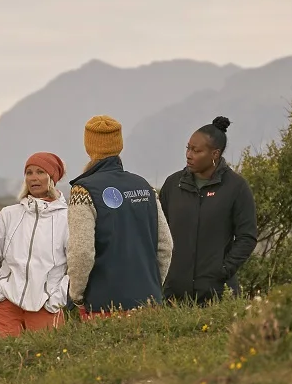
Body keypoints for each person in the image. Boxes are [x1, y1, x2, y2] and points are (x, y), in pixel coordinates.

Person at [67, 114, 173, 314]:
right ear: (119, 145)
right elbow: (165, 246)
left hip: (104, 305)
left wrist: (77, 295)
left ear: (88, 147)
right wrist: (152, 286)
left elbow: (82, 251)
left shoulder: (83, 191)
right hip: (149, 303)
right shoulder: (145, 187)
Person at [160, 115, 259, 303]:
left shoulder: (236, 187)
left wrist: (223, 270)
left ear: (215, 154)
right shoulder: (173, 185)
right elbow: (158, 231)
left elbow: (247, 237)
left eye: (196, 150)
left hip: (217, 296)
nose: (189, 155)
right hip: (172, 297)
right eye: (188, 148)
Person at [0, 153, 69, 335]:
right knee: (0, 360)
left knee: (46, 362)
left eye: (40, 172)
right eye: (29, 172)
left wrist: (56, 299)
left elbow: (76, 265)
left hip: (46, 306)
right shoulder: (8, 214)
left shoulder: (67, 218)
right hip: (6, 306)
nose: (33, 178)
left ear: (52, 178)